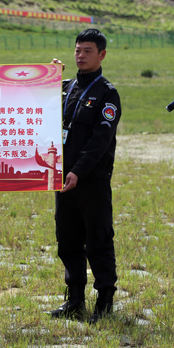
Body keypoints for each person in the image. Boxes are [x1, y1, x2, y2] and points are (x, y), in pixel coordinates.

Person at [49, 29, 121, 325]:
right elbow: (36, 110)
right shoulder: (65, 88)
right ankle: (75, 299)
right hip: (62, 179)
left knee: (98, 239)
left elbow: (100, 141)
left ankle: (104, 300)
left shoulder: (107, 93)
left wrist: (78, 171)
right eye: (77, 50)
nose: (80, 55)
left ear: (102, 54)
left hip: (91, 179)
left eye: (87, 51)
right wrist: (48, 80)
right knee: (67, 238)